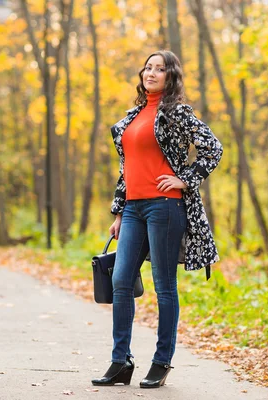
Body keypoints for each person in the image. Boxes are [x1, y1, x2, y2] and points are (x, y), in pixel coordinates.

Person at [91, 50, 223, 389]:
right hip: (134, 208)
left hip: (165, 206)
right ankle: (120, 361)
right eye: (148, 67)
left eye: (160, 68)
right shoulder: (133, 116)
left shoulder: (178, 113)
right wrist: (119, 210)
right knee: (121, 280)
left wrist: (185, 178)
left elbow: (213, 148)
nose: (151, 72)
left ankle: (162, 361)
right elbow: (127, 169)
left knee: (164, 286)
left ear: (171, 76)